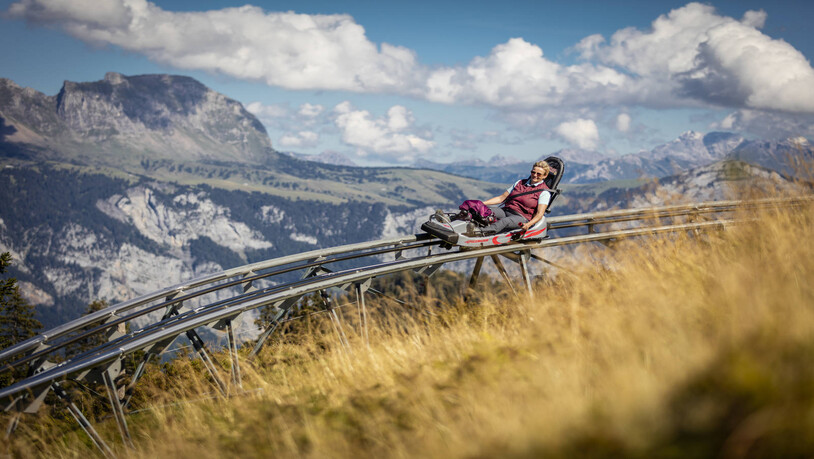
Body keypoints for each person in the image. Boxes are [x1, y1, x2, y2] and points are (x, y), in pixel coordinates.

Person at [478, 160, 552, 235]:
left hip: (521, 217)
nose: (535, 175)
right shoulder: (520, 183)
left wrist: (528, 225)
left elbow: (540, 214)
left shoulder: (544, 193)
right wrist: (481, 204)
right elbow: (501, 198)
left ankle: (478, 233)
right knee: (485, 211)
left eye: (539, 174)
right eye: (533, 172)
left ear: (545, 176)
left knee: (504, 221)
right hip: (506, 210)